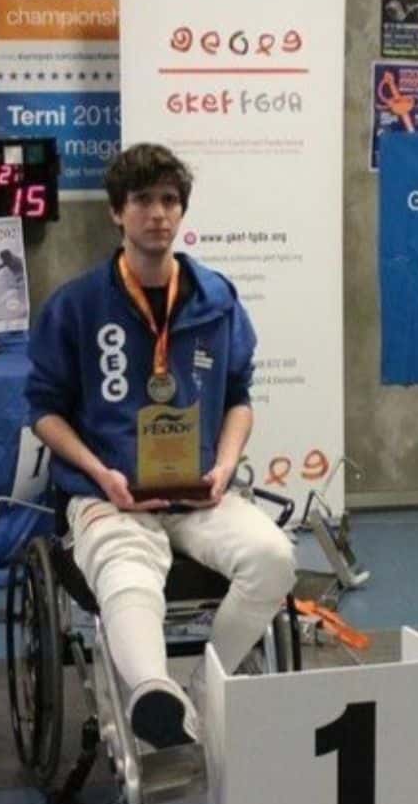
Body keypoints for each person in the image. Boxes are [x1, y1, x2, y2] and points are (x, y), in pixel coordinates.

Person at [26, 143, 294, 750]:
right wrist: (101, 473)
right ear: (117, 213)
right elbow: (44, 412)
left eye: (169, 200)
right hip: (109, 492)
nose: (158, 214)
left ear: (182, 212)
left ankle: (199, 691)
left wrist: (225, 465)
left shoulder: (216, 299)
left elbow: (238, 396)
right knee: (127, 570)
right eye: (143, 200)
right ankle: (152, 691)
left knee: (273, 558)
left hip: (199, 491)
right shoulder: (77, 306)